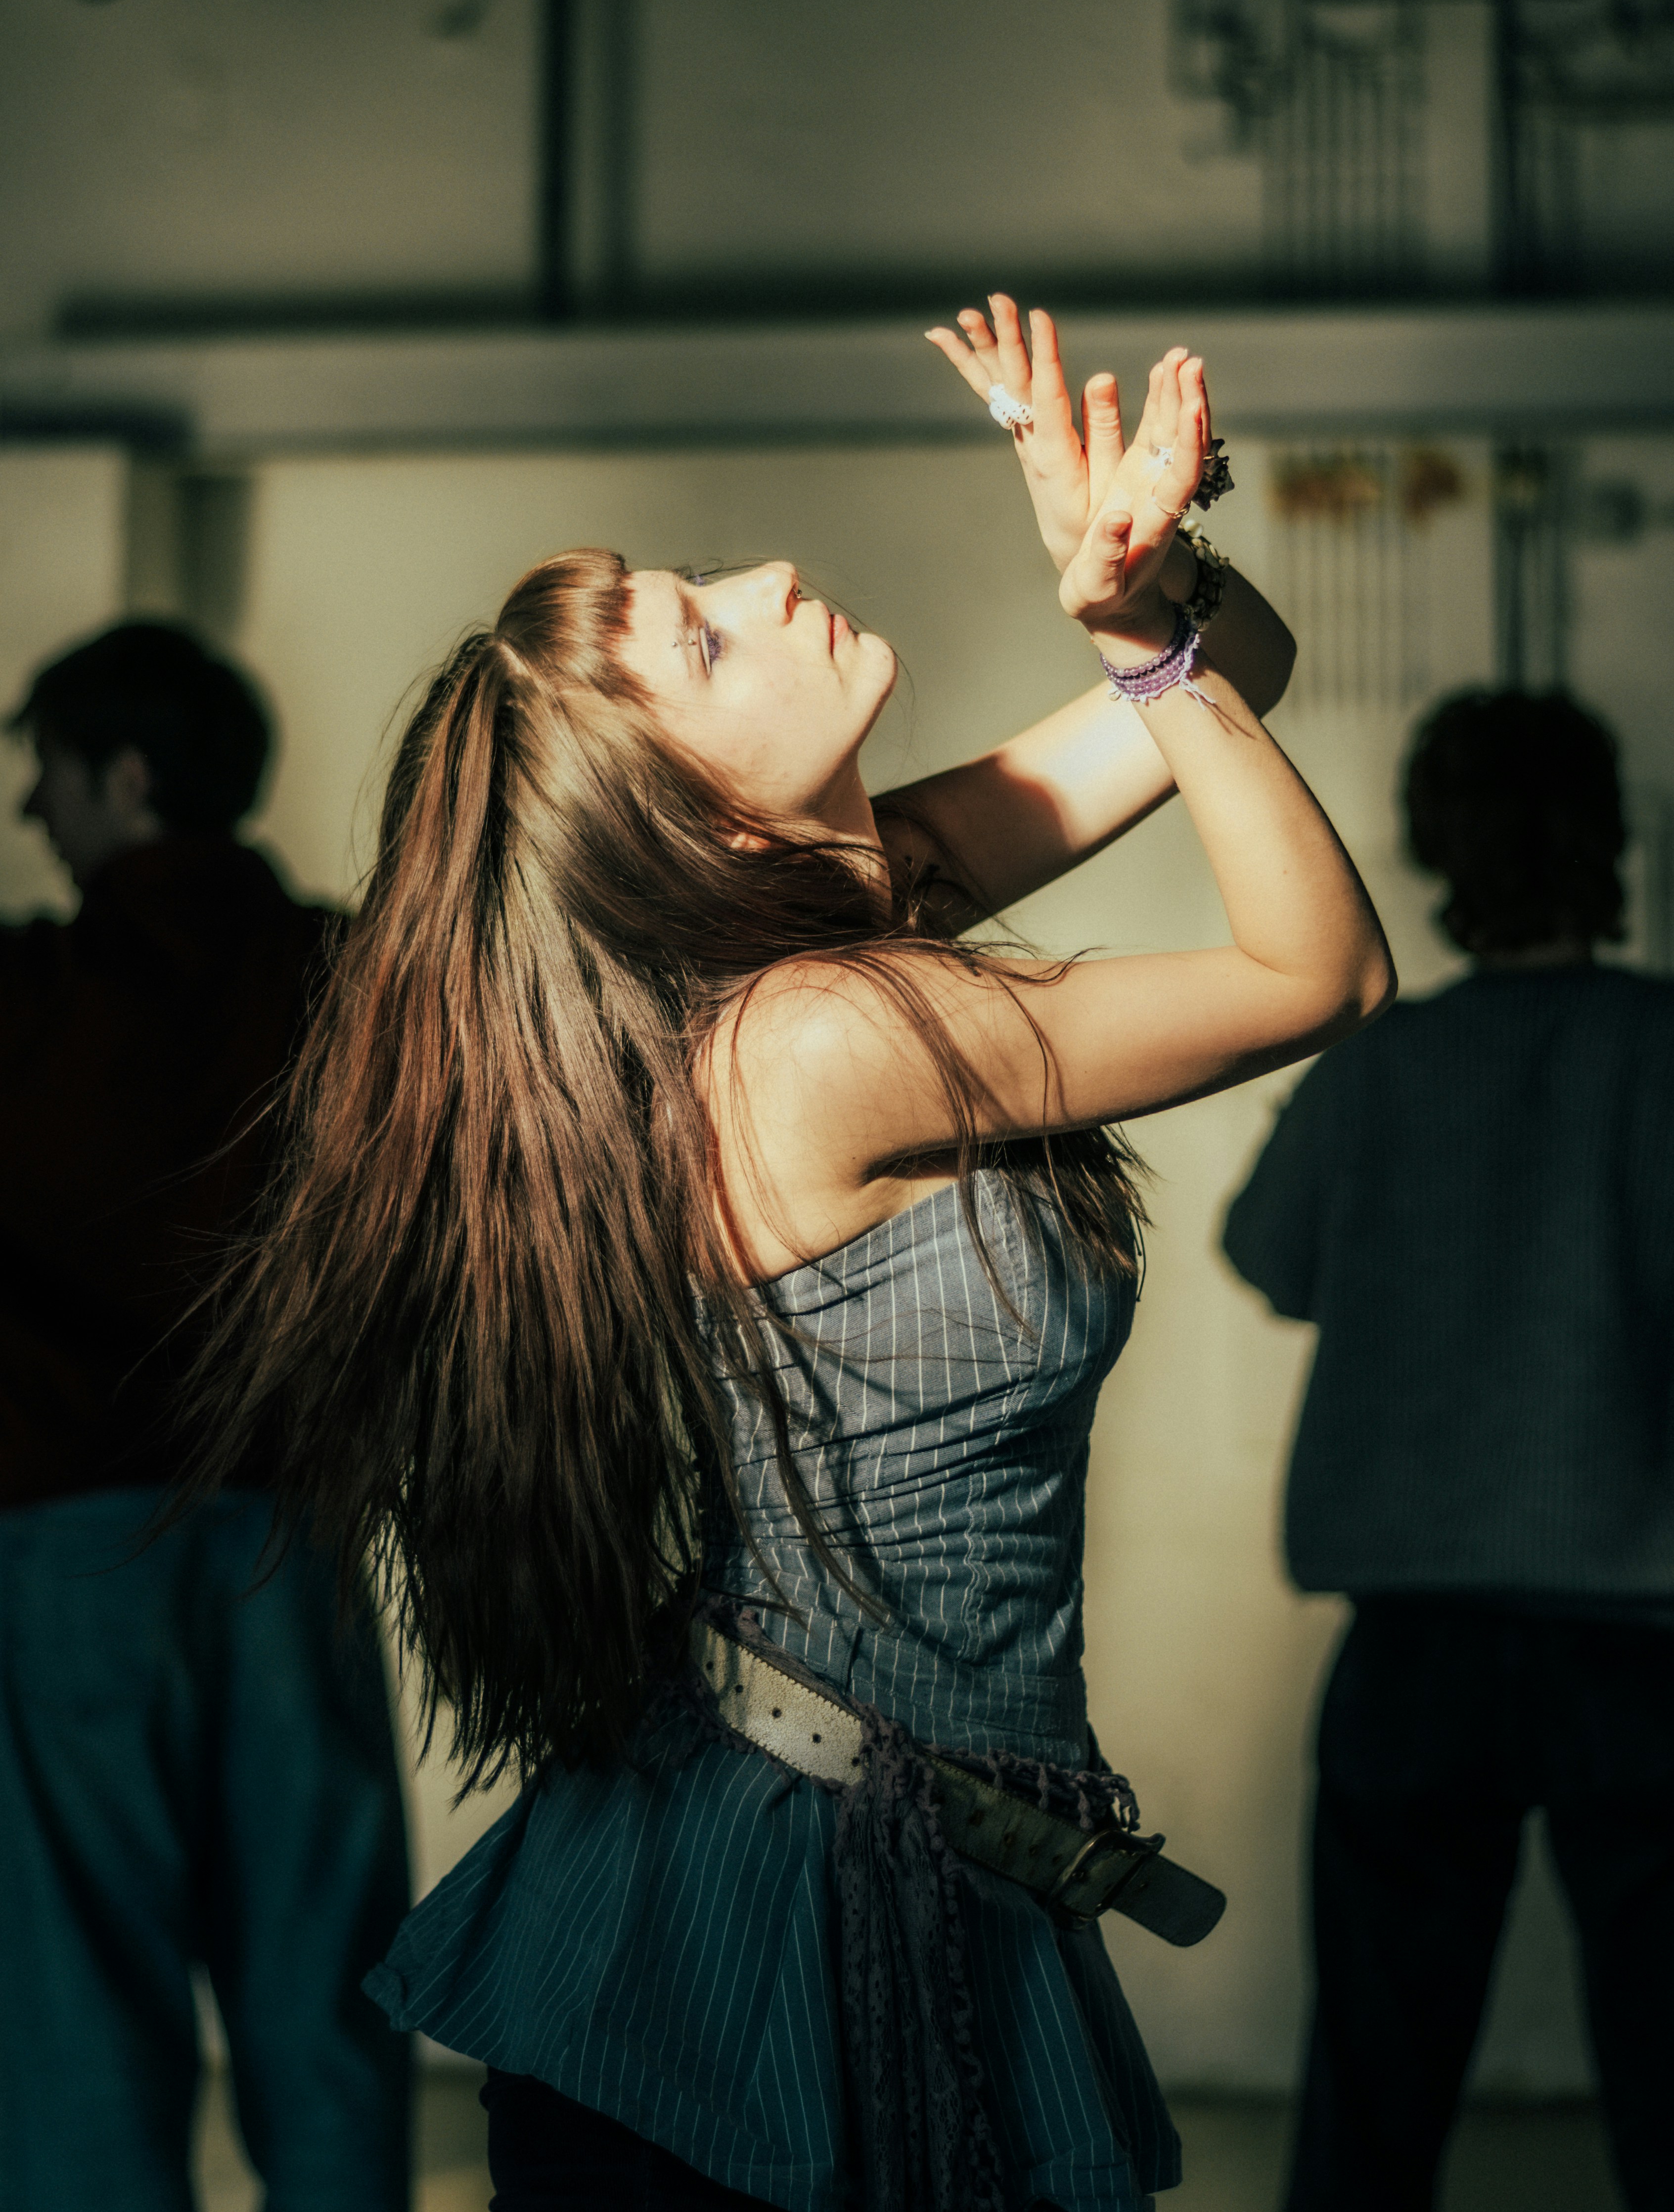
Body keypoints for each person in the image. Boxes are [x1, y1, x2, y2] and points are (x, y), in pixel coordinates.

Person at [190, 298, 1392, 2212]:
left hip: (889, 1847)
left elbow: (1227, 666)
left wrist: (1145, 576)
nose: (764, 579)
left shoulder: (852, 913)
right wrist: (1130, 641)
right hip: (785, 1897)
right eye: (704, 630)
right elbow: (1316, 970)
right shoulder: (813, 1041)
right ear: (686, 802)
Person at [1222, 689, 1674, 2212]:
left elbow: (1268, 1254)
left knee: (1374, 2074)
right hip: (1642, 1634)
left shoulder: (1376, 1060)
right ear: (1605, 841)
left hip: (1411, 1639)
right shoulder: (1663, 1047)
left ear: (1433, 847)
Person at [0, 622, 412, 2212]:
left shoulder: (27, 997)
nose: (34, 811)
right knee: (332, 1993)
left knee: (79, 2011)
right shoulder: (349, 978)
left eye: (47, 770)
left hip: (66, 1549)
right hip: (288, 1540)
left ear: (124, 773)